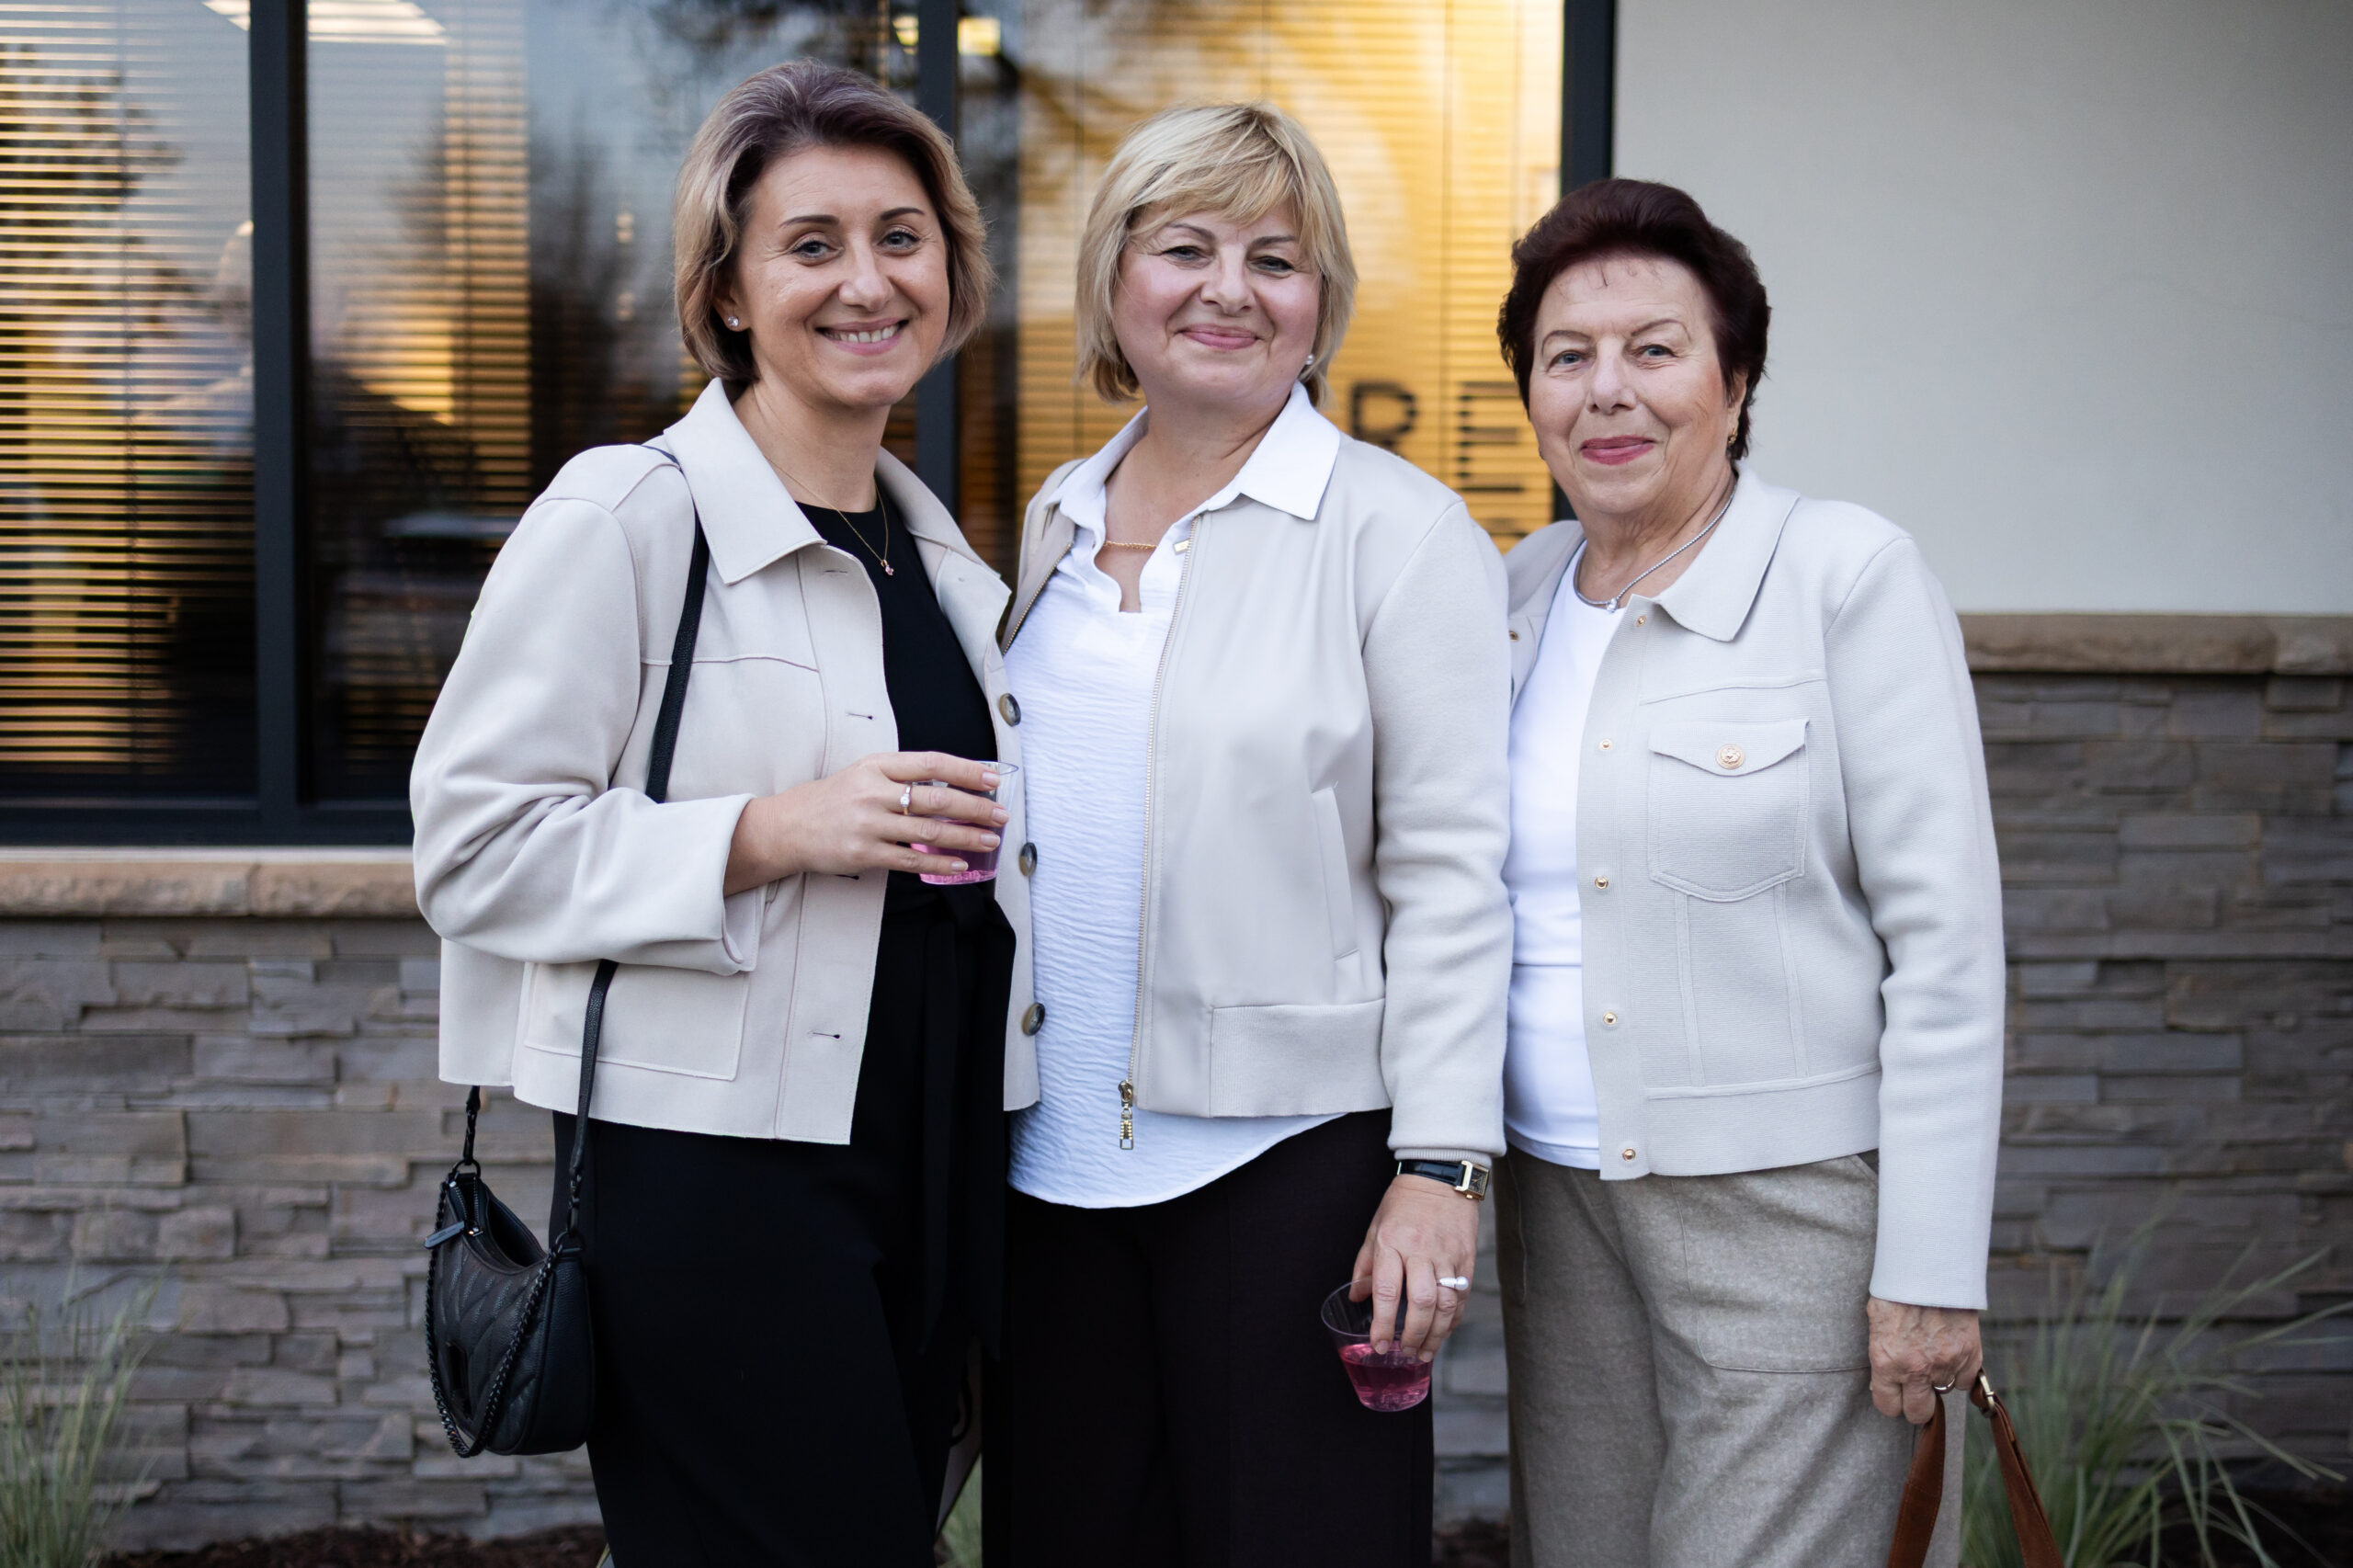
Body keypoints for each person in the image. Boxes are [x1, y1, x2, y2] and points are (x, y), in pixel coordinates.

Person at [409, 60, 1029, 1567]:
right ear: (731, 291)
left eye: (901, 236)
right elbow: (470, 847)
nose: (867, 280)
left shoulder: (946, 565)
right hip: (717, 1179)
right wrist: (772, 831)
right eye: (811, 244)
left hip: (932, 1162)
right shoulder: (631, 515)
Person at [982, 101, 1513, 1568]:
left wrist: (1441, 1169)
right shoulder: (1054, 520)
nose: (1230, 289)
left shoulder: (1400, 535)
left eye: (1275, 260)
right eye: (1185, 248)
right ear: (1113, 280)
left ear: (1320, 305)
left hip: (1293, 1178)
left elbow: (1454, 877)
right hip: (1049, 1175)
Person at [1491, 177, 2002, 1568]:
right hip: (1557, 1205)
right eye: (1567, 355)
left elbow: (1947, 949)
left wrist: (1930, 1267)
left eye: (1654, 349)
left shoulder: (1846, 575)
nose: (1608, 389)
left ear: (1736, 380)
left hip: (1789, 1220)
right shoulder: (1515, 594)